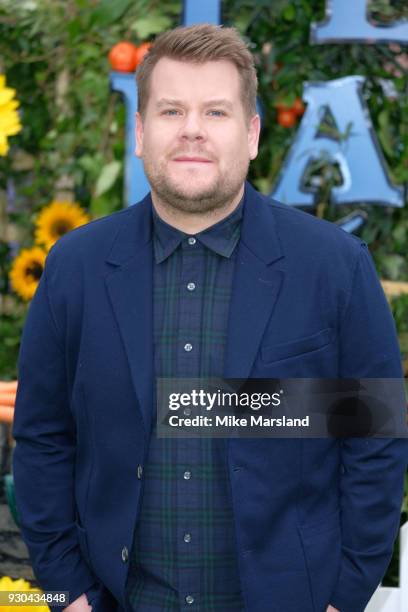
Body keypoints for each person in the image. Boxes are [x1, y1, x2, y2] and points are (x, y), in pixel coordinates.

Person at [12, 23, 407, 612]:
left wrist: (342, 596)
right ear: (140, 133)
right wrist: (67, 592)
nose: (192, 129)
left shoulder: (334, 266)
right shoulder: (75, 267)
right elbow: (43, 438)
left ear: (251, 135)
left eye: (216, 112)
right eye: (171, 110)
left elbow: (375, 438)